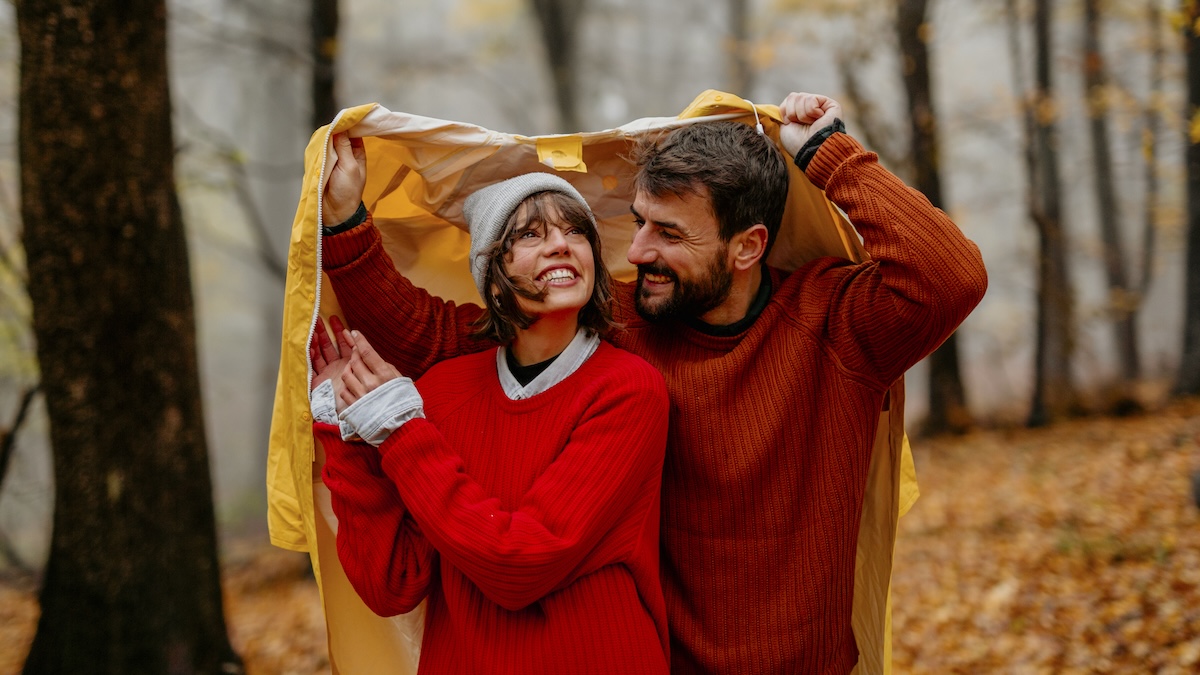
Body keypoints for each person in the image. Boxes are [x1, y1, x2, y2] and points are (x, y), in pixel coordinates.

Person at [318, 91, 988, 674]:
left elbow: (950, 276)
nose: (635, 253)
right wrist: (348, 225)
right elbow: (446, 340)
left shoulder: (840, 324)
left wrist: (827, 152)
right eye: (638, 222)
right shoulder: (626, 323)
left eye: (666, 233)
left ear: (746, 247)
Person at [309, 173, 671, 673]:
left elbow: (520, 564)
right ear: (492, 270)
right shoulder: (440, 392)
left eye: (576, 232)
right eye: (529, 235)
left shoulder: (630, 389)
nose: (561, 246)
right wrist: (342, 425)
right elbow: (392, 583)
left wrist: (398, 429)